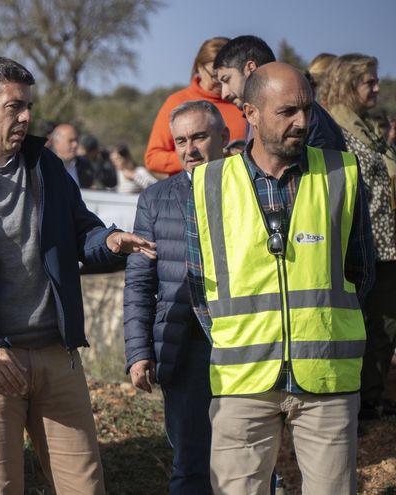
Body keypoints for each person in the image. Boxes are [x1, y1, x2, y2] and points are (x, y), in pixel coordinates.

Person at [0, 57, 156, 494]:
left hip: (56, 355)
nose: (26, 116)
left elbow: (80, 230)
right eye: (14, 106)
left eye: (28, 105)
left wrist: (110, 241)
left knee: (85, 485)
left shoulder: (46, 167)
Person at [187, 62, 375, 494]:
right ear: (250, 113)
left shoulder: (341, 173)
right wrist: (237, 340)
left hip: (326, 379)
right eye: (287, 111)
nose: (303, 122)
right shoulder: (209, 183)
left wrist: (323, 330)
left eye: (307, 109)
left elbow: (360, 271)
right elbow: (200, 286)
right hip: (242, 382)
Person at [125, 100, 229, 494]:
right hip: (183, 348)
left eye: (199, 137)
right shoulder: (155, 200)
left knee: (251, 462)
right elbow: (139, 281)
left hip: (247, 344)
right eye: (181, 140)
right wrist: (138, 351)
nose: (190, 149)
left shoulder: (252, 190)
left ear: (224, 137)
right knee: (191, 463)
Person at [320, 54, 396, 420]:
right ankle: (357, 405)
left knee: (383, 326)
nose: (377, 87)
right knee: (363, 327)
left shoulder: (366, 127)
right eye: (370, 81)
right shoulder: (333, 128)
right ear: (348, 84)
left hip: (387, 244)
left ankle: (371, 400)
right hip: (359, 245)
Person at [213, 35, 347, 152]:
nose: (224, 94)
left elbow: (321, 171)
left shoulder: (309, 115)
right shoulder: (254, 111)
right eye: (287, 112)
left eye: (226, 79)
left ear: (250, 68)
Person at [144, 37, 247, 176]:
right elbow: (153, 159)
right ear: (199, 67)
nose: (222, 85)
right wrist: (211, 156)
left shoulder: (243, 101)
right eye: (215, 76)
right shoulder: (177, 101)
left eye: (227, 77)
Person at [49, 124, 117, 189]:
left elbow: (111, 182)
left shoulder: (84, 164)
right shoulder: (44, 165)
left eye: (76, 140)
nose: (75, 145)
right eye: (71, 141)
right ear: (57, 142)